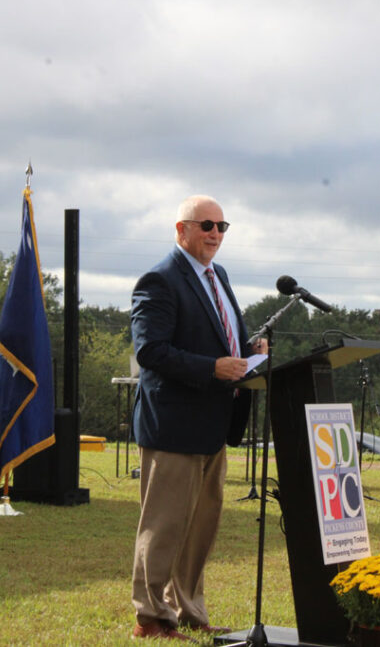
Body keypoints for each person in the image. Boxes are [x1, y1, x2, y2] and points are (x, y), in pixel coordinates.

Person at [129, 195, 268, 641]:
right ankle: (151, 617)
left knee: (200, 526)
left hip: (213, 423)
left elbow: (221, 339)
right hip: (173, 426)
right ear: (181, 229)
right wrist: (211, 368)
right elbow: (150, 351)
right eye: (206, 224)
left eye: (222, 226)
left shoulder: (218, 275)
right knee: (165, 523)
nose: (214, 233)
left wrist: (249, 355)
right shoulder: (159, 280)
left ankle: (188, 609)